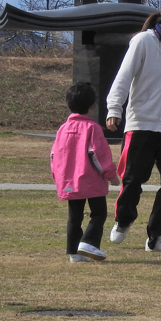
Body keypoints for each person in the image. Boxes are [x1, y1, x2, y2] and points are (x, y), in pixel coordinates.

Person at [105, 0, 161, 254]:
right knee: (133, 179)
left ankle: (157, 237)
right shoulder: (143, 41)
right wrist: (114, 109)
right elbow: (123, 77)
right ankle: (124, 220)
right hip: (141, 123)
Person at [51, 82, 120, 262]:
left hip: (69, 182)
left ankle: (73, 252)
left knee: (74, 217)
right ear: (92, 106)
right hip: (90, 180)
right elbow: (98, 154)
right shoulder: (92, 128)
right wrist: (111, 175)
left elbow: (54, 155)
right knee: (99, 213)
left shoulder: (62, 129)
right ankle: (89, 242)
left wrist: (57, 177)